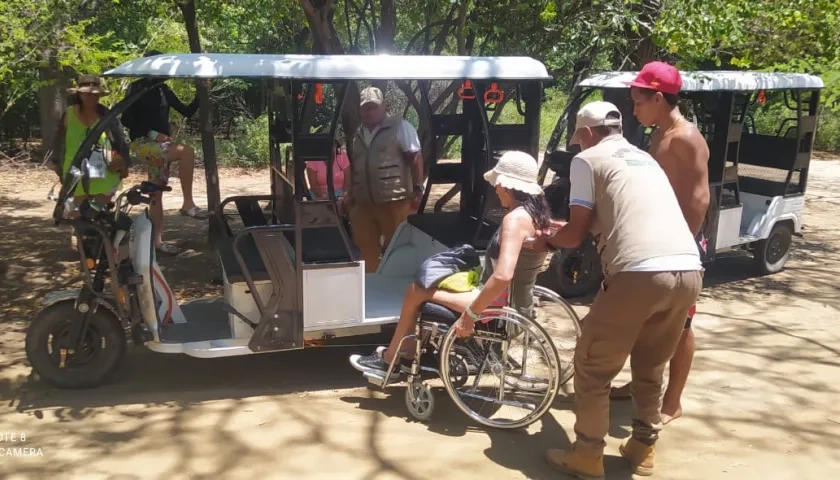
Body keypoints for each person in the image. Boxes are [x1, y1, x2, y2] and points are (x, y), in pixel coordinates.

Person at [541, 101, 703, 478]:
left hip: (639, 272)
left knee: (593, 365)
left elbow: (576, 229)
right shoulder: (644, 159)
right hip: (688, 268)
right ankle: (643, 448)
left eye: (578, 138)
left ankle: (587, 454)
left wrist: (544, 241)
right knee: (650, 365)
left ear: (585, 134)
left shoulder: (588, 159)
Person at [348, 150, 549, 376]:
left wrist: (471, 315)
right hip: (520, 303)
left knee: (416, 291)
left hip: (499, 309)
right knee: (434, 285)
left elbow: (503, 276)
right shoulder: (537, 215)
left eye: (498, 184)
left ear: (506, 186)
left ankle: (390, 361)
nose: (495, 188)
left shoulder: (514, 220)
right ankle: (404, 353)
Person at [608, 61, 711, 426]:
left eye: (638, 101)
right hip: (658, 240)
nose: (634, 109)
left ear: (657, 97)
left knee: (680, 324)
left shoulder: (685, 137)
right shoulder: (659, 133)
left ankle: (672, 402)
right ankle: (640, 384)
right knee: (646, 318)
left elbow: (699, 199)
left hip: (681, 245)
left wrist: (683, 245)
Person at [120, 50, 205, 255]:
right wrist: (152, 133)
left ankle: (157, 243)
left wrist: (202, 92)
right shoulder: (137, 87)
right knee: (186, 152)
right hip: (142, 143)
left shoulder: (163, 89)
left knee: (156, 192)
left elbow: (187, 111)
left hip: (159, 149)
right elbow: (126, 119)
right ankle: (187, 203)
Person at [343, 86, 425, 273]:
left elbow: (415, 158)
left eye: (374, 107)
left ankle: (398, 286)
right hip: (363, 202)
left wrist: (418, 189)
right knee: (364, 247)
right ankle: (370, 286)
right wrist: (349, 194)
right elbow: (354, 165)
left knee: (397, 246)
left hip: (395, 201)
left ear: (383, 106)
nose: (369, 112)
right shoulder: (358, 134)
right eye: (366, 108)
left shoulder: (400, 127)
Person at [50, 75, 130, 210]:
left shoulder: (107, 115)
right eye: (87, 94)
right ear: (79, 94)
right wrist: (57, 165)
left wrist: (123, 164)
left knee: (98, 216)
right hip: (75, 173)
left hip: (105, 174)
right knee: (78, 219)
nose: (91, 97)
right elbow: (59, 142)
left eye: (95, 94)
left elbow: (119, 142)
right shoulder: (68, 114)